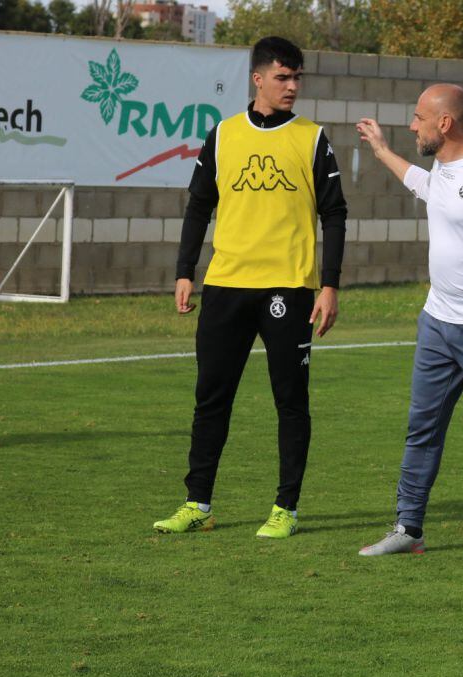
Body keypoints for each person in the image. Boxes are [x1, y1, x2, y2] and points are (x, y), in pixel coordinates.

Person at [153, 36, 347, 539]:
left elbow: (335, 213)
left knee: (290, 399)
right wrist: (184, 270)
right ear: (257, 79)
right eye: (283, 77)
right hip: (225, 286)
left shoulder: (312, 137)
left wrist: (330, 285)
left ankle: (286, 507)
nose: (292, 86)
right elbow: (199, 205)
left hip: (289, 287)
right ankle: (198, 503)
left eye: (297, 77)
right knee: (210, 398)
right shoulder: (223, 136)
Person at [354, 83, 463, 565]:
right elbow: (424, 185)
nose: (412, 124)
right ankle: (407, 528)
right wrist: (382, 151)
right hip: (437, 325)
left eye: (418, 117)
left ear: (444, 123)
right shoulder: (441, 167)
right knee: (422, 428)